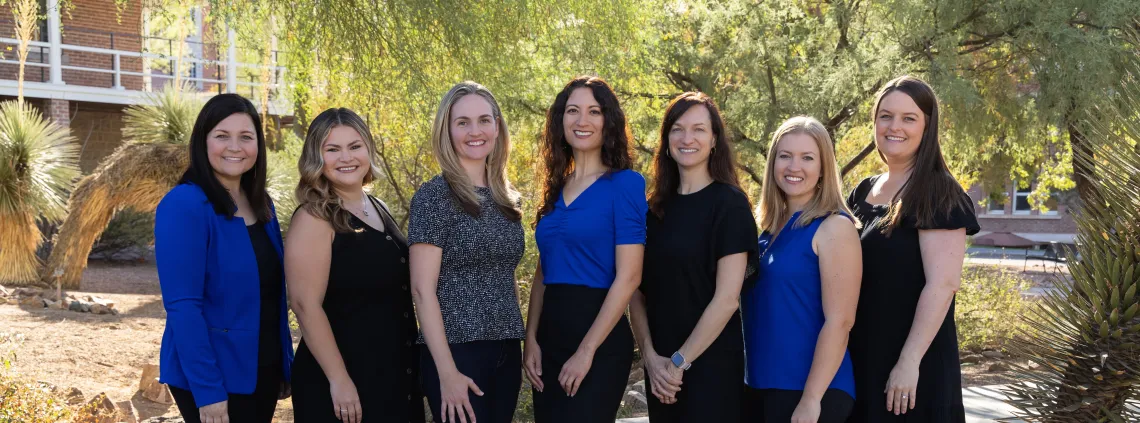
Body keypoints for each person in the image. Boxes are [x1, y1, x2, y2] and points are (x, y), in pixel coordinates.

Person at [845, 76, 980, 422]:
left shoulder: (938, 191)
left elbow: (943, 284)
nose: (894, 127)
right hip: (861, 356)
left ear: (927, 126)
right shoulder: (863, 191)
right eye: (885, 116)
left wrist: (909, 362)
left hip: (913, 369)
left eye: (909, 118)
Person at [155, 93, 292, 423]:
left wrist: (283, 363)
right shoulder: (184, 205)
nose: (235, 147)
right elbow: (183, 306)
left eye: (246, 137)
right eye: (222, 136)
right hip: (213, 375)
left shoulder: (263, 205)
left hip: (261, 366)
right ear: (202, 142)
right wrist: (208, 392)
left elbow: (272, 293)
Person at [286, 108, 423, 423]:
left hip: (392, 376)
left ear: (368, 150)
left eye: (354, 146)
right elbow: (304, 304)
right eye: (332, 149)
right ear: (316, 158)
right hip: (343, 386)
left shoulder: (378, 206)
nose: (345, 157)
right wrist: (339, 379)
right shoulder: (314, 217)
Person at [629, 92, 757, 423]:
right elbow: (636, 293)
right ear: (666, 139)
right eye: (678, 129)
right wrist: (651, 358)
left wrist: (678, 362)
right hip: (661, 373)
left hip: (710, 367)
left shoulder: (730, 205)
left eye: (699, 129)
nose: (688, 138)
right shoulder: (653, 210)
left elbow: (728, 299)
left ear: (714, 140)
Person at [524, 76, 646, 423]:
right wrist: (531, 340)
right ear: (560, 120)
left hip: (599, 340)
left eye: (594, 111)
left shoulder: (625, 184)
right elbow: (543, 273)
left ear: (608, 121)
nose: (582, 120)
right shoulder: (554, 188)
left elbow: (630, 276)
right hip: (549, 339)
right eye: (573, 111)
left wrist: (586, 350)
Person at [408, 81, 526, 423]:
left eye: (484, 120)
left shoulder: (508, 198)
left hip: (505, 348)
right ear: (447, 130)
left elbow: (506, 275)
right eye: (463, 122)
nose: (475, 131)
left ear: (497, 126)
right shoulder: (434, 198)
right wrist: (447, 373)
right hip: (456, 353)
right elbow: (421, 290)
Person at [741, 116, 862, 423]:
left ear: (823, 168)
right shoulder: (767, 233)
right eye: (785, 156)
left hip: (812, 393)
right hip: (760, 386)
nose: (794, 167)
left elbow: (841, 321)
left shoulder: (834, 227)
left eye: (807, 157)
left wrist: (811, 399)